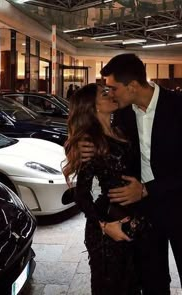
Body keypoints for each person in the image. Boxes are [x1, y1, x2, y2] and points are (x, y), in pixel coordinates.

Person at [79, 53, 182, 295]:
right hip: (144, 214)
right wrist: (84, 145)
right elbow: (96, 128)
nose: (109, 93)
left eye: (113, 87)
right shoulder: (121, 113)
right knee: (153, 283)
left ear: (132, 86)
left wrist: (145, 188)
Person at [63, 83, 149, 295]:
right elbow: (81, 194)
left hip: (132, 219)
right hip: (107, 227)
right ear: (93, 106)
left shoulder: (119, 128)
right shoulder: (89, 142)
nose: (111, 95)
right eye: (104, 93)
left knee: (132, 285)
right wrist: (103, 225)